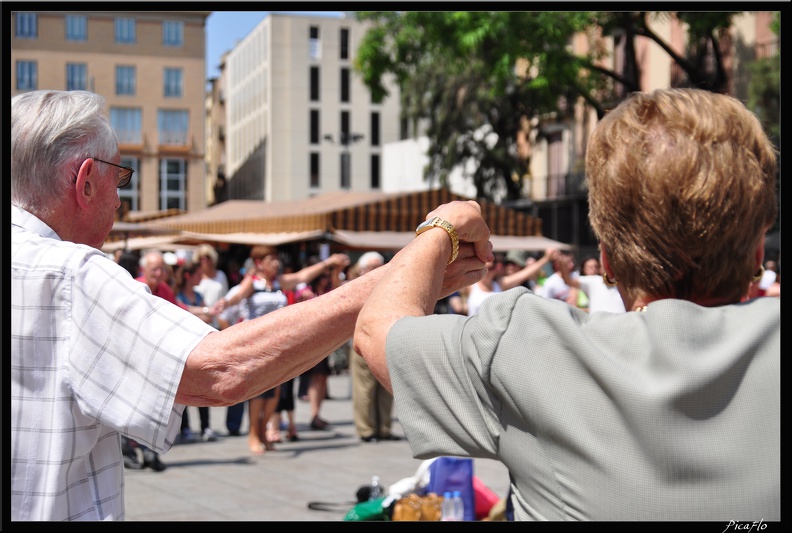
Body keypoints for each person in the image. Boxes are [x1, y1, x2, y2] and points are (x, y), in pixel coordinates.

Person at [11, 89, 486, 520]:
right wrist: (404, 273)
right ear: (87, 181)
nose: (121, 198)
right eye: (120, 175)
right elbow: (220, 371)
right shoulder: (68, 274)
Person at [354, 88, 779, 520]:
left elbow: (376, 330)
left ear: (608, 260)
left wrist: (442, 227)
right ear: (759, 252)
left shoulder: (528, 346)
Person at [217, 245, 351, 454]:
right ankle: (253, 434)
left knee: (274, 394)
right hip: (257, 344)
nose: (276, 263)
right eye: (271, 259)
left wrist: (328, 263)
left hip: (277, 344)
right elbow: (237, 296)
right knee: (258, 393)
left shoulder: (279, 281)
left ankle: (263, 433)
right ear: (260, 263)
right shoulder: (252, 282)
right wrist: (224, 303)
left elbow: (302, 275)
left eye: (277, 259)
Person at [349, 252, 402, 443]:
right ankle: (366, 429)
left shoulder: (390, 285)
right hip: (363, 341)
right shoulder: (356, 287)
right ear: (363, 270)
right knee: (365, 388)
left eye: (381, 265)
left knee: (386, 387)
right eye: (373, 267)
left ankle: (384, 428)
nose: (378, 270)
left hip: (386, 340)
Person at [174, 261, 218, 443]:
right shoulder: (177, 295)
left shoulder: (198, 296)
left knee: (203, 388)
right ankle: (185, 428)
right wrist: (203, 313)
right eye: (198, 274)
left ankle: (205, 426)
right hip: (182, 348)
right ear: (188, 276)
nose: (201, 277)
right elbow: (180, 313)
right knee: (183, 391)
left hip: (199, 346)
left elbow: (209, 316)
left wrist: (198, 314)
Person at [557, 253, 626, 313]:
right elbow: (568, 281)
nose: (593, 269)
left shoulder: (598, 280)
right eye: (590, 267)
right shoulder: (591, 281)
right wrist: (563, 265)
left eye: (596, 266)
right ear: (583, 269)